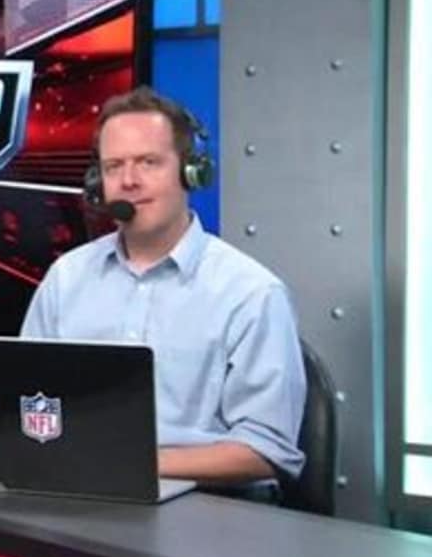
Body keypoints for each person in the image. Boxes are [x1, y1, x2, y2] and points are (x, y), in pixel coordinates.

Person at [20, 86, 306, 490]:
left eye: (149, 162)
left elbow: (266, 450)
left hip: (208, 505)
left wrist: (132, 465)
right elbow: (25, 402)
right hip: (81, 493)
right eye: (114, 166)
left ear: (192, 172)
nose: (129, 181)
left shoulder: (251, 293)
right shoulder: (66, 278)